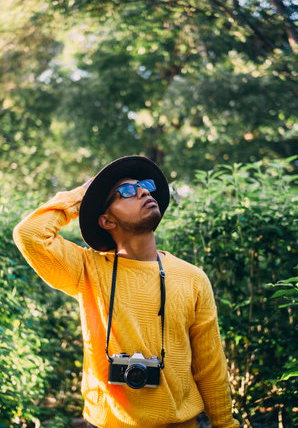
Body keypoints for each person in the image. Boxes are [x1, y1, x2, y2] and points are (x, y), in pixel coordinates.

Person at [13, 156, 239, 428]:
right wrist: (83, 193)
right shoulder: (87, 269)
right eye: (127, 192)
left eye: (144, 185)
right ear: (107, 221)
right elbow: (30, 233)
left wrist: (226, 424)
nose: (144, 190)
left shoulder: (192, 278)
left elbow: (210, 366)